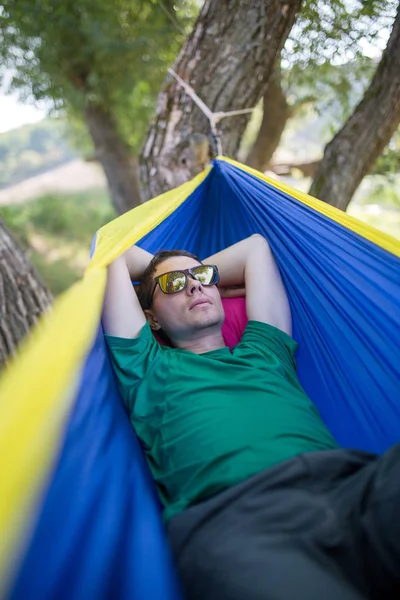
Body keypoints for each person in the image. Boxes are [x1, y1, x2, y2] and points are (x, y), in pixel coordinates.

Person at [102, 235, 400, 600]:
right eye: (175, 284)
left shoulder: (265, 350)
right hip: (237, 522)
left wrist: (178, 276)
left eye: (203, 276)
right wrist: (165, 271)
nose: (195, 284)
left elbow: (255, 247)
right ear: (151, 319)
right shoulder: (147, 366)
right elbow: (112, 254)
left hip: (348, 487)